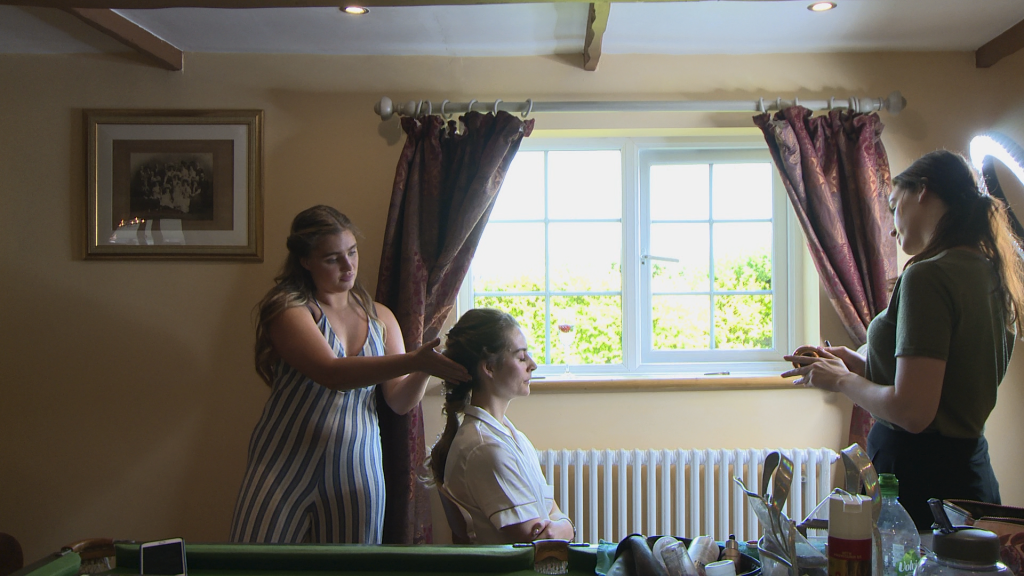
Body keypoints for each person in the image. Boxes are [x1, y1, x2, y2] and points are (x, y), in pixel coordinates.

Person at [783, 150, 1023, 529]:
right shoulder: (990, 273)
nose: (892, 227)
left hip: (918, 485)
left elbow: (913, 412)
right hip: (968, 477)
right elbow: (944, 389)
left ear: (923, 191)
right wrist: (860, 364)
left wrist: (842, 380)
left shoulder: (928, 276)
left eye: (894, 205)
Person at [230, 205, 470, 544]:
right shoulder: (289, 309)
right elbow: (332, 373)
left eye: (352, 252)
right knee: (255, 567)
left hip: (356, 466)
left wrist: (423, 367)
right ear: (304, 260)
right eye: (332, 258)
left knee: (350, 569)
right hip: (280, 463)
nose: (348, 266)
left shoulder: (381, 318)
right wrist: (414, 361)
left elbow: (399, 401)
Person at [428, 308, 575, 543]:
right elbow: (535, 539)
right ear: (489, 368)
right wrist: (566, 528)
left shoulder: (510, 437)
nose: (533, 364)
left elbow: (552, 511)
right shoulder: (484, 448)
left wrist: (564, 526)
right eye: (521, 357)